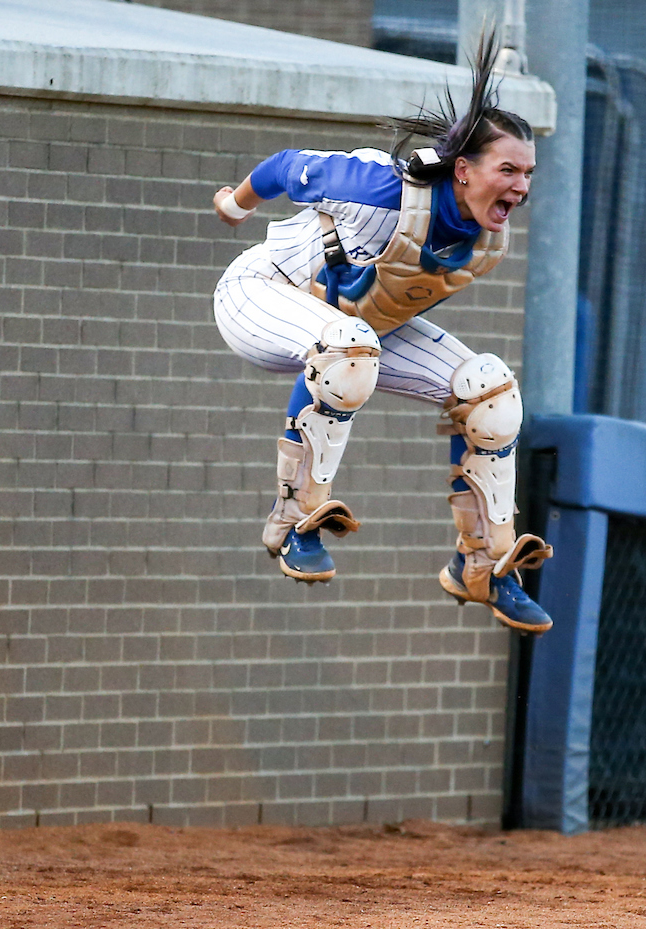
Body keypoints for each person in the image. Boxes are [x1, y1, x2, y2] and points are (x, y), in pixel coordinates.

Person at [211, 35, 553, 633]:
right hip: (257, 295)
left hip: (350, 331)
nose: (521, 185)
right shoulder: (382, 188)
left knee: (490, 391)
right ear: (465, 170)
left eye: (528, 172)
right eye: (509, 169)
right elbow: (285, 165)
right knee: (349, 348)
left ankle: (482, 563)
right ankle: (294, 518)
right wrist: (233, 206)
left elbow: (369, 307)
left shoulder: (487, 240)